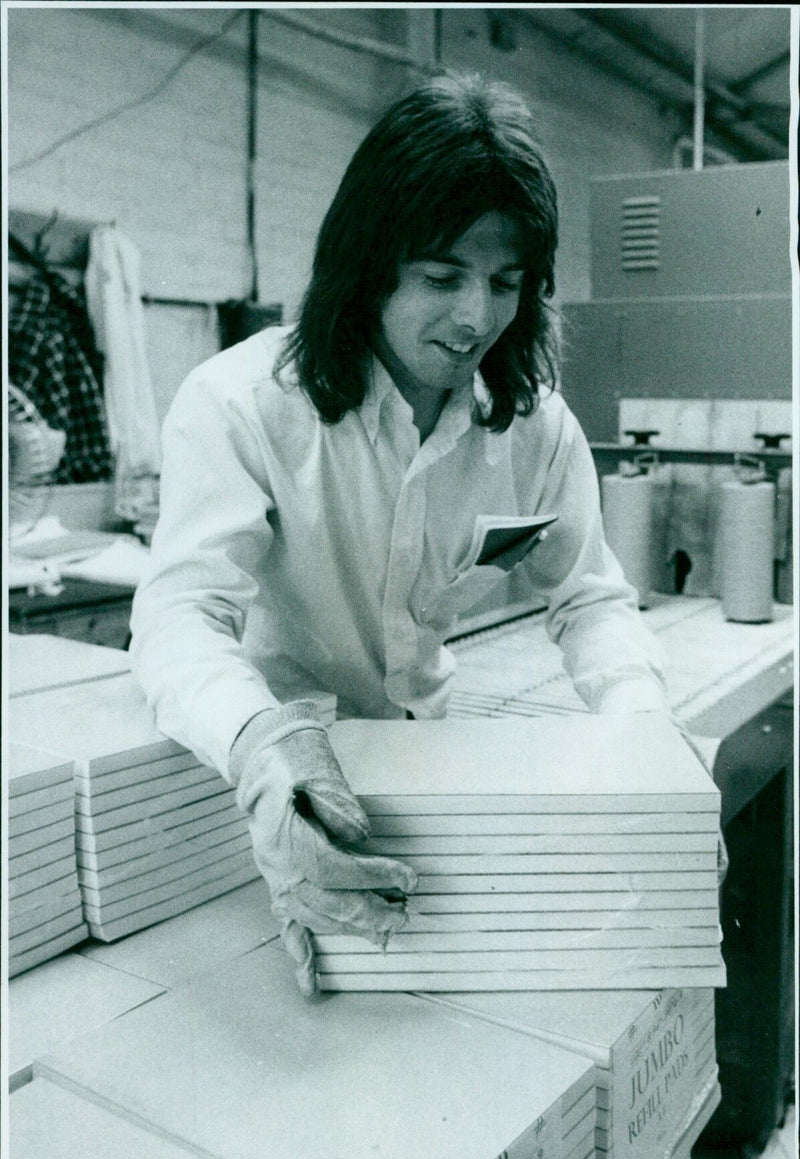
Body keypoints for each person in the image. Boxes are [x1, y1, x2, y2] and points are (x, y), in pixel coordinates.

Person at [130, 71, 677, 997]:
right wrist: (262, 744)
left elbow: (589, 599)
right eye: (441, 276)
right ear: (370, 258)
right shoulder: (241, 407)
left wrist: (646, 737)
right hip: (269, 787)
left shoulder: (533, 426)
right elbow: (180, 615)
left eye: (505, 283)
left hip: (427, 782)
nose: (476, 318)